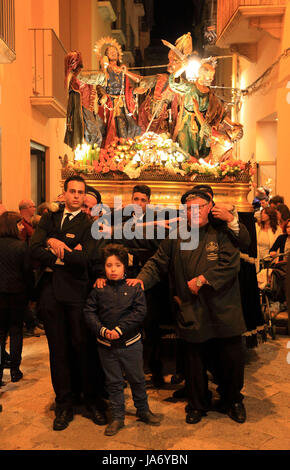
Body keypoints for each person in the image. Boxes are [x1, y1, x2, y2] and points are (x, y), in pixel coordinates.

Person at [130, 189, 247, 424]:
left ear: (210, 207)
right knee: (194, 361)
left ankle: (232, 400)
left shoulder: (223, 231)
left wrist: (203, 279)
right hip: (192, 308)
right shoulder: (178, 235)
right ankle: (197, 403)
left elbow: (230, 265)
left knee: (231, 360)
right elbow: (157, 262)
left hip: (224, 309)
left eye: (199, 207)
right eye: (189, 208)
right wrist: (142, 279)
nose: (194, 212)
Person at [30, 175, 107, 431]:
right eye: (71, 191)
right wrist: (56, 247)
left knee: (82, 348)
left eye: (80, 192)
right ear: (63, 194)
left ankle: (92, 400)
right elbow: (34, 248)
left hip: (77, 293)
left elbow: (86, 258)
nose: (76, 196)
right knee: (58, 351)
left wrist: (54, 247)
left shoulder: (90, 224)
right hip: (51, 294)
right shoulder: (50, 218)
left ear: (84, 196)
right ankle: (64, 403)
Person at [84, 243, 161, 436]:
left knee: (137, 379)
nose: (113, 269)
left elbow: (139, 312)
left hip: (131, 345)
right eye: (109, 265)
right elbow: (89, 311)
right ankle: (118, 416)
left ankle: (143, 410)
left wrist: (120, 329)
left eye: (117, 265)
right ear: (104, 268)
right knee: (114, 382)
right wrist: (102, 330)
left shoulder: (133, 288)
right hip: (106, 346)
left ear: (125, 267)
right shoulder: (98, 289)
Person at [168, 58, 243, 160]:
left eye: (212, 76)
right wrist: (182, 68)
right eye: (209, 76)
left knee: (202, 154)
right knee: (185, 151)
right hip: (186, 124)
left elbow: (219, 112)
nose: (211, 79)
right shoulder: (190, 87)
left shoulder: (210, 94)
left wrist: (231, 124)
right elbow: (173, 82)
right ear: (200, 74)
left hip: (202, 126)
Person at [82, 37, 141, 148]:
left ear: (119, 56)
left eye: (115, 52)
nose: (113, 53)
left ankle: (124, 148)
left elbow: (129, 87)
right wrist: (103, 95)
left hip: (123, 103)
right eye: (110, 52)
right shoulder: (105, 70)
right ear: (106, 56)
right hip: (110, 103)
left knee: (128, 126)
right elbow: (100, 85)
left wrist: (134, 90)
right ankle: (113, 149)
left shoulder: (122, 70)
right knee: (113, 126)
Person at [0, 212, 34, 386]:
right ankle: (14, 370)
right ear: (13, 226)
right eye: (19, 225)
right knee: (15, 332)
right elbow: (28, 272)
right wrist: (31, 293)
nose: (22, 227)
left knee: (0, 333)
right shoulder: (20, 246)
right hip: (17, 294)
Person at [64, 50, 105, 150]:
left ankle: (93, 160)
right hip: (83, 110)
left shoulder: (82, 76)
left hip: (89, 110)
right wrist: (104, 68)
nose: (74, 64)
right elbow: (99, 79)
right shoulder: (75, 78)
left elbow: (98, 81)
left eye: (75, 61)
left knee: (97, 135)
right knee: (95, 137)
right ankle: (91, 161)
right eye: (72, 62)